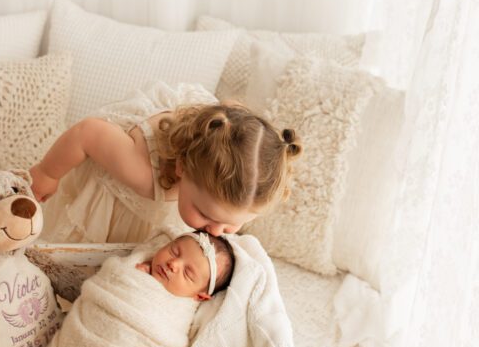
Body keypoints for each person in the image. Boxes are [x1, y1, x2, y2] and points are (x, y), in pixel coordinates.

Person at [28, 81, 302, 245]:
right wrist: (46, 173)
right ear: (182, 167)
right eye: (206, 215)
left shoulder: (228, 126)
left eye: (232, 224)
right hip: (119, 162)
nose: (216, 231)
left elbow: (237, 118)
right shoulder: (144, 174)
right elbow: (87, 134)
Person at [45, 230, 235, 347]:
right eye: (174, 251)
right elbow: (108, 282)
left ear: (200, 297)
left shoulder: (180, 310)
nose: (173, 264)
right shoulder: (134, 267)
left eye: (187, 273)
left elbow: (169, 343)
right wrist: (135, 276)